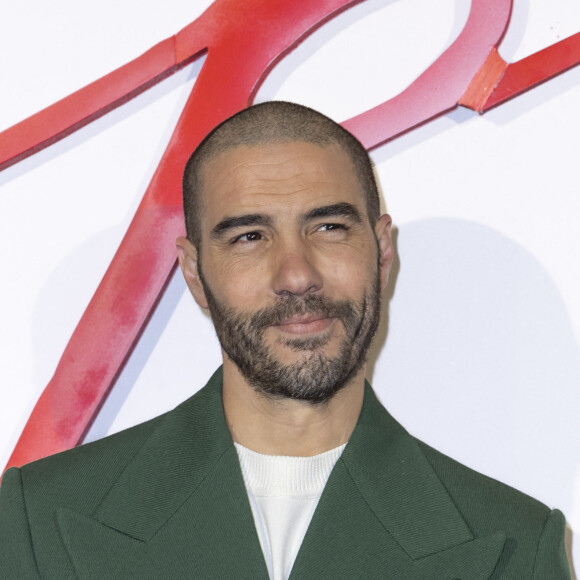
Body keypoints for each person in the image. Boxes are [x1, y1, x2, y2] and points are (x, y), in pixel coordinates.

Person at [0, 102, 571, 579]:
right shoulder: (39, 518)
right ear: (195, 275)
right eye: (250, 236)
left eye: (329, 228)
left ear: (383, 251)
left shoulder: (517, 546)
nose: (296, 275)